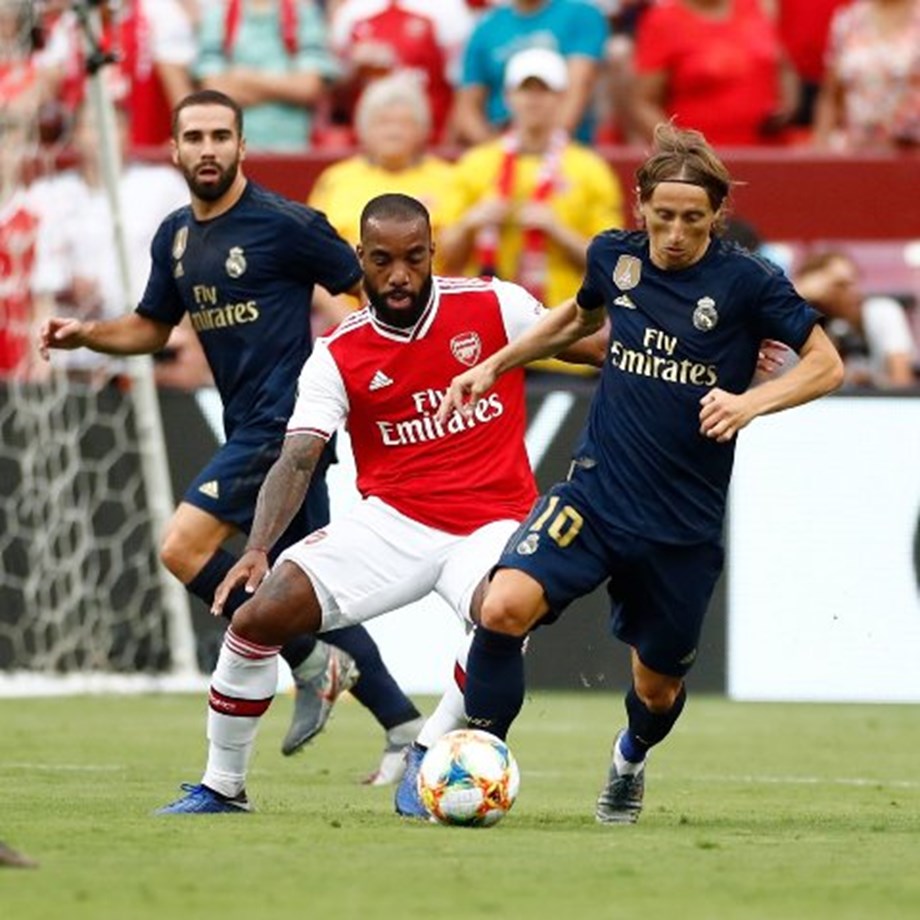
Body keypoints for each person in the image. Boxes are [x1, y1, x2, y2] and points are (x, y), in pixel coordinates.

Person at [437, 124, 844, 825]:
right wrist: (494, 364)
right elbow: (576, 319)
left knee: (656, 689)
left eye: (693, 219)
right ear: (641, 207)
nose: (676, 233)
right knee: (502, 607)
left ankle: (629, 760)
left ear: (716, 216)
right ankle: (479, 760)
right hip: (595, 496)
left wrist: (749, 403)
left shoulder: (748, 283)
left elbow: (826, 363)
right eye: (663, 217)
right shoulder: (614, 260)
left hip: (679, 525)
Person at [151, 192, 608, 815]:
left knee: (503, 614)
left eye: (414, 259)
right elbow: (298, 456)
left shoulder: (492, 304)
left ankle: (427, 749)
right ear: (360, 258)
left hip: (493, 521)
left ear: (432, 253)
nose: (399, 275)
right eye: (384, 260)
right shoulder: (338, 352)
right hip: (392, 523)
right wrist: (258, 548)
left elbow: (596, 347)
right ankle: (222, 787)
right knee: (256, 619)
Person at [37, 89, 425, 783]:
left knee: (182, 546)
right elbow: (152, 328)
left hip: (286, 429)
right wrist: (87, 334)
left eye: (222, 136)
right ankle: (404, 727)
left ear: (243, 146)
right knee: (307, 588)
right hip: (247, 422)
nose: (208, 148)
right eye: (196, 136)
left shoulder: (287, 224)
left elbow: (374, 294)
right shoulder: (176, 238)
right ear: (177, 149)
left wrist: (373, 385)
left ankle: (306, 660)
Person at [438, 46, 624, 378]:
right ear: (509, 96)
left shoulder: (590, 169)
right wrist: (472, 222)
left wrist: (558, 230)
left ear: (561, 98)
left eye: (545, 91)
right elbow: (443, 258)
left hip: (564, 345)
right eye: (525, 90)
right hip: (485, 346)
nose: (534, 101)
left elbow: (615, 267)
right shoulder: (476, 165)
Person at [630, 0, 799, 147]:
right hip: (705, 162)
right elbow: (644, 103)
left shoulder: (758, 8)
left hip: (769, 150)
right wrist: (680, 151)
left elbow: (782, 63)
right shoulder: (663, 21)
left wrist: (788, 103)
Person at [451, 0, 610, 146]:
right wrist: (499, 154)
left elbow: (578, 88)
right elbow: (466, 107)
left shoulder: (580, 15)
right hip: (499, 141)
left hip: (566, 149)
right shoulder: (486, 27)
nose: (532, 98)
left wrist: (543, 149)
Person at [194, 0, 339, 151]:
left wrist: (244, 79)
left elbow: (309, 87)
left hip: (294, 150)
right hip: (231, 152)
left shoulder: (303, 13)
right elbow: (214, 91)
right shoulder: (218, 14)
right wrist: (286, 87)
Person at [793, 249, 917, 388]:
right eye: (840, 285)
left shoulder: (881, 311)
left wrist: (871, 380)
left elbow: (901, 382)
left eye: (854, 281)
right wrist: (799, 296)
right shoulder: (802, 323)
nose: (853, 291)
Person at [812, 0, 920, 151]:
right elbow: (830, 96)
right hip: (854, 153)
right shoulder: (848, 20)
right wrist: (820, 150)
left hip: (910, 154)